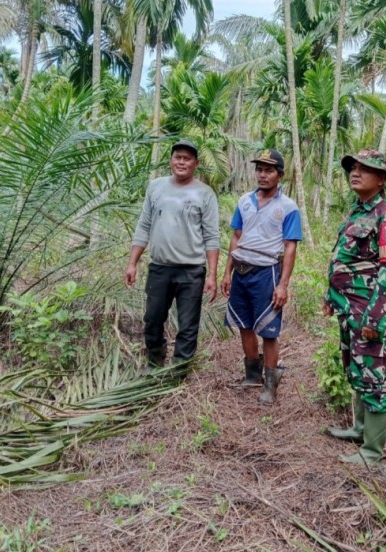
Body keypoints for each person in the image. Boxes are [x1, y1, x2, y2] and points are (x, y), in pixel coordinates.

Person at [323, 148, 386, 465]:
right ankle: (360, 429)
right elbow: (342, 259)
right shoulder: (357, 213)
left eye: (365, 169)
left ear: (382, 179)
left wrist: (376, 318)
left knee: (372, 377)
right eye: (353, 167)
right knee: (354, 370)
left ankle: (372, 452)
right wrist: (330, 296)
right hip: (349, 309)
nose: (355, 173)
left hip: (369, 312)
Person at [125, 140, 220, 369]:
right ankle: (155, 361)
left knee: (188, 324)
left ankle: (179, 369)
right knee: (153, 319)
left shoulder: (205, 194)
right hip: (159, 267)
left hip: (192, 270)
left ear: (195, 164)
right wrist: (132, 263)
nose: (181, 162)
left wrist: (212, 275)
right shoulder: (156, 187)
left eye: (187, 159)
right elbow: (144, 225)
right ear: (171, 160)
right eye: (177, 157)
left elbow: (212, 236)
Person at [221, 149, 302, 405]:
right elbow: (236, 236)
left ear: (280, 175)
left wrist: (283, 285)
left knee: (268, 330)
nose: (263, 174)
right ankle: (252, 374)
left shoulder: (288, 207)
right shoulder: (244, 201)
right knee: (244, 324)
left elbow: (290, 247)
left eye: (269, 170)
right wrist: (227, 271)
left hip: (266, 272)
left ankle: (270, 383)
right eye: (259, 169)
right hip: (242, 270)